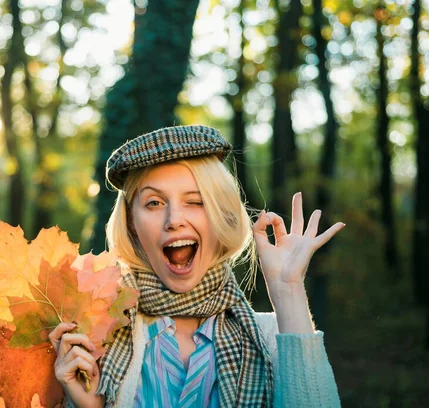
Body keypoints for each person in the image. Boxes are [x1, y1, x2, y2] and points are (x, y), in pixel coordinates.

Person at [49, 125, 344, 407]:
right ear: (131, 223)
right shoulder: (95, 340)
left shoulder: (272, 338)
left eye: (196, 201)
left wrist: (287, 290)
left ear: (222, 215)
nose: (174, 219)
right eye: (154, 203)